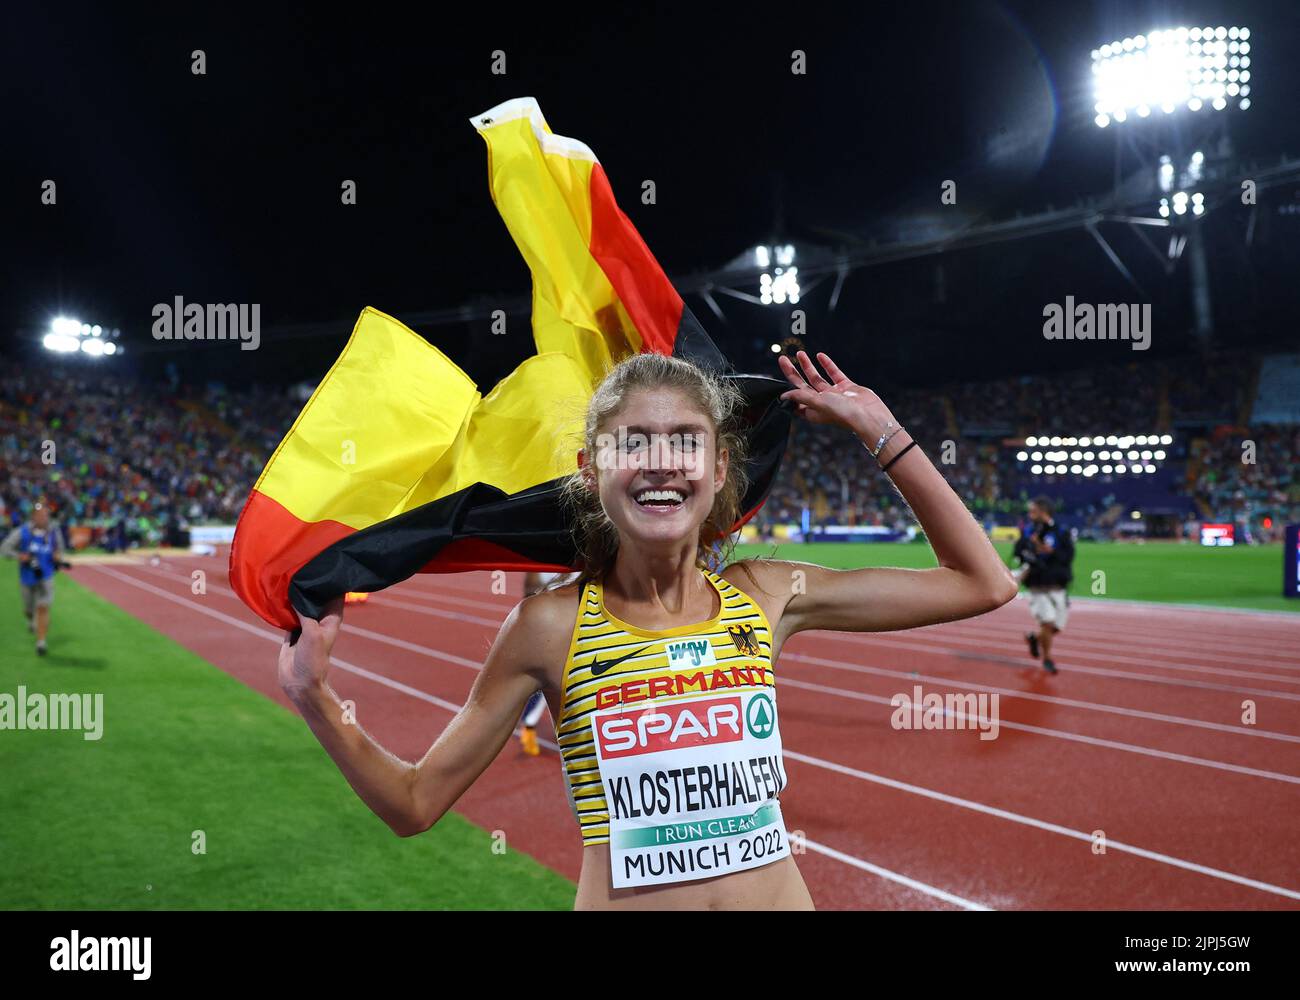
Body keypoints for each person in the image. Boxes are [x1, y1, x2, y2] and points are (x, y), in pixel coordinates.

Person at [275, 351, 1017, 910]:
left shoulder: (768, 595)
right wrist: (314, 695)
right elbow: (412, 804)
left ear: (721, 466)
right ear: (590, 470)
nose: (661, 462)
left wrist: (878, 428)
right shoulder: (548, 626)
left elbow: (982, 582)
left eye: (686, 441)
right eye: (632, 443)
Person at [1, 502, 72, 655]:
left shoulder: (53, 531)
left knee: (43, 607)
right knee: (28, 609)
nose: (44, 518)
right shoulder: (22, 531)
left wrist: (58, 557)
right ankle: (30, 618)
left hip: (46, 576)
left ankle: (41, 642)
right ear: (33, 516)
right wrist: (20, 556)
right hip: (27, 577)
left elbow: (59, 548)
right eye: (40, 515)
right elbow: (4, 548)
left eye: (46, 515)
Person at [1015, 496, 1075, 675]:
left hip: (1058, 587)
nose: (1029, 514)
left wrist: (1051, 552)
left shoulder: (1061, 532)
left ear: (1043, 511)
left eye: (1033, 510)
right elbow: (1019, 553)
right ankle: (1047, 658)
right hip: (1038, 586)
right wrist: (1031, 553)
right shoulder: (1028, 532)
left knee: (1056, 627)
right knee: (1047, 622)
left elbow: (1068, 556)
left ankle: (1034, 638)